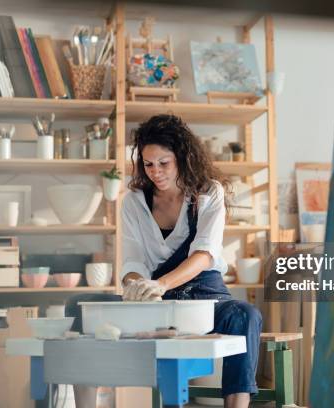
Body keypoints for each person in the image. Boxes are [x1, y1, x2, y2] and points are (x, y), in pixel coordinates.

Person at [66, 114, 262, 408]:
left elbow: (204, 254)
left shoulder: (208, 193)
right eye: (148, 164)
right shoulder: (133, 202)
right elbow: (133, 261)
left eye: (164, 163)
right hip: (157, 302)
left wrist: (160, 283)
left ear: (181, 158)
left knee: (245, 315)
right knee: (78, 307)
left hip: (205, 298)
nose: (155, 171)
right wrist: (136, 286)